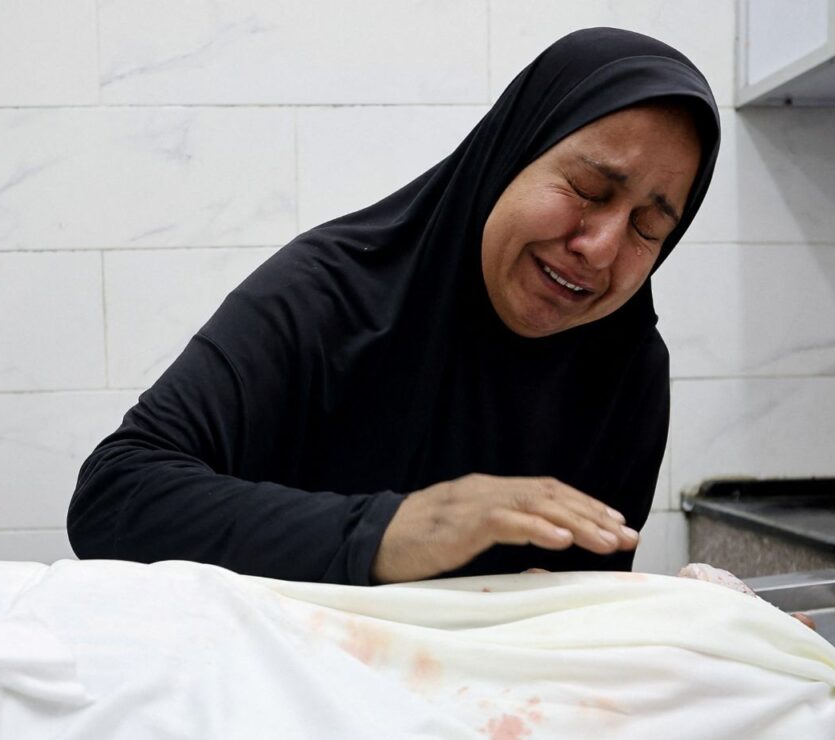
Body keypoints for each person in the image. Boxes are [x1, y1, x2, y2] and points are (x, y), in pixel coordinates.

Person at [68, 28, 720, 586]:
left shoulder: (625, 366)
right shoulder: (327, 294)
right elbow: (115, 494)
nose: (600, 250)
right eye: (588, 189)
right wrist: (387, 533)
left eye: (648, 228)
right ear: (511, 153)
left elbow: (578, 604)